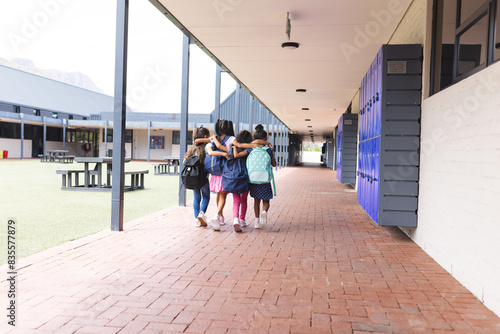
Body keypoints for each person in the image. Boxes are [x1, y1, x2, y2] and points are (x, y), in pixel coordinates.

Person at [246, 124, 276, 229]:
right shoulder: (268, 149)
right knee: (266, 200)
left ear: (254, 138)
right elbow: (274, 164)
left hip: (253, 178)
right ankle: (264, 211)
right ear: (265, 138)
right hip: (265, 178)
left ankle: (256, 222)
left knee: (256, 200)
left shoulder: (251, 149)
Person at [183, 126, 211, 227]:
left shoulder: (192, 149)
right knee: (206, 196)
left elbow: (184, 160)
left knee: (196, 197)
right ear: (205, 136)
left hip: (193, 178)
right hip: (203, 178)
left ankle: (196, 219)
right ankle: (201, 213)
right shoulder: (206, 148)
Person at [230, 129, 253, 232]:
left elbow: (234, 156)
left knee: (236, 199)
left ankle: (235, 219)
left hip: (234, 175)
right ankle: (242, 219)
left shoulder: (232, 147)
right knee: (244, 199)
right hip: (245, 175)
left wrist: (234, 147)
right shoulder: (249, 150)